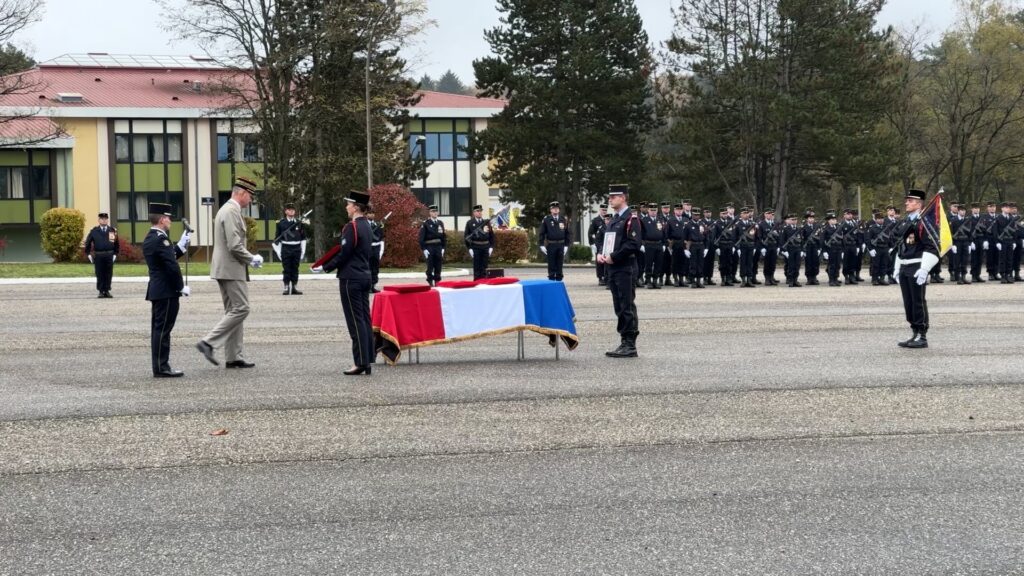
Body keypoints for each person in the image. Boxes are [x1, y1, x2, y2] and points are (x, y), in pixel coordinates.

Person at [196, 176, 263, 369]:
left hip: (225, 268)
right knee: (242, 308)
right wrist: (252, 258)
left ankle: (233, 356)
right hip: (231, 268)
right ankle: (208, 342)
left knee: (233, 311)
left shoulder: (226, 209)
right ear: (241, 193)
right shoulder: (232, 211)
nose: (250, 200)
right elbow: (234, 245)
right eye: (250, 196)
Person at [313, 191, 375, 375]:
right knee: (364, 320)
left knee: (355, 322)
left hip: (351, 279)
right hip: (364, 277)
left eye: (348, 204)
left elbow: (344, 253)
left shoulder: (352, 227)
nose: (346, 207)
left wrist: (325, 267)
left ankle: (360, 362)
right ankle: (367, 360)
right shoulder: (367, 226)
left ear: (356, 207)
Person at [142, 203, 191, 378]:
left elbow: (168, 257)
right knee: (163, 330)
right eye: (168, 218)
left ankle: (161, 366)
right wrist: (180, 286)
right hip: (166, 291)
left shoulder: (153, 237)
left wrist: (181, 246)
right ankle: (161, 367)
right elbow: (171, 265)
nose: (170, 220)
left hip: (159, 291)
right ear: (162, 219)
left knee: (160, 329)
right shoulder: (160, 239)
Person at [597, 184, 641, 358]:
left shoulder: (632, 219)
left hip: (625, 268)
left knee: (626, 305)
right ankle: (624, 340)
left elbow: (633, 244)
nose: (610, 199)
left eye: (613, 197)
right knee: (619, 305)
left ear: (623, 197)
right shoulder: (615, 219)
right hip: (613, 268)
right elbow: (606, 240)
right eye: (610, 197)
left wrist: (614, 256)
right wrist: (601, 253)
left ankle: (630, 343)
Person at [894, 189, 940, 349]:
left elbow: (932, 247)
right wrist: (897, 267)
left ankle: (922, 335)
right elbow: (901, 245)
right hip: (905, 267)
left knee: (918, 301)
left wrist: (924, 269)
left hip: (917, 266)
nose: (906, 203)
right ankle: (914, 331)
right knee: (908, 302)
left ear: (919, 204)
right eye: (907, 200)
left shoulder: (924, 223)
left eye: (910, 201)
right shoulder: (907, 222)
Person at [273, 203, 307, 295]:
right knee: (287, 268)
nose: (291, 210)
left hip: (296, 248)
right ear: (286, 211)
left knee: (295, 268)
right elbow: (277, 239)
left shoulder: (300, 223)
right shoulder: (281, 223)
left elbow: (303, 238)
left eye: (293, 209)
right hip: (286, 248)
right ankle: (286, 287)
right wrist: (279, 252)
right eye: (289, 209)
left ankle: (294, 287)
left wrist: (303, 251)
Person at [83, 212, 119, 298]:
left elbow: (116, 243)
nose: (104, 220)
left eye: (106, 219)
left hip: (109, 255)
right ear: (99, 220)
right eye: (102, 219)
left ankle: (107, 290)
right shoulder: (94, 231)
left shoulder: (112, 230)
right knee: (99, 273)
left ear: (107, 220)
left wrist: (115, 254)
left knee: (108, 273)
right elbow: (88, 243)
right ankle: (101, 291)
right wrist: (88, 254)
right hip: (99, 255)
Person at [539, 201, 570, 281]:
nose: (555, 210)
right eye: (554, 208)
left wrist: (566, 245)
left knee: (560, 264)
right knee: (552, 264)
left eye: (557, 208)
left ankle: (559, 281)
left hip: (561, 245)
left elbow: (567, 233)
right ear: (551, 210)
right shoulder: (547, 220)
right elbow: (542, 233)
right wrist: (541, 244)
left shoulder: (563, 219)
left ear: (559, 210)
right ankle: (552, 281)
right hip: (551, 245)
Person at [464, 204, 495, 280]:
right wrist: (470, 248)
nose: (480, 212)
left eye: (481, 211)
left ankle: (484, 283)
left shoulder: (486, 222)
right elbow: (466, 237)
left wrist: (491, 247)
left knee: (485, 267)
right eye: (478, 211)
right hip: (476, 247)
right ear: (474, 212)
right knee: (477, 267)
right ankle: (477, 283)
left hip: (485, 247)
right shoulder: (470, 223)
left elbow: (491, 236)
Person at [418, 205, 446, 286]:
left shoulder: (440, 223)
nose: (435, 213)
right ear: (430, 213)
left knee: (438, 264)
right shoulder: (426, 224)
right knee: (430, 265)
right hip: (429, 247)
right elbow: (421, 238)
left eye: (436, 211)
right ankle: (430, 280)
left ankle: (437, 280)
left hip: (438, 247)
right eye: (433, 211)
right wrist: (424, 249)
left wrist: (443, 247)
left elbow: (443, 236)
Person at [588, 204, 609, 285]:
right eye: (603, 210)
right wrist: (592, 244)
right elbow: (590, 233)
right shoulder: (595, 220)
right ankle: (600, 277)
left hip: (607, 244)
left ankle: (606, 277)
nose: (604, 211)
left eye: (605, 210)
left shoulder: (609, 219)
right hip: (598, 244)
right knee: (599, 262)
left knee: (607, 261)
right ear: (600, 210)